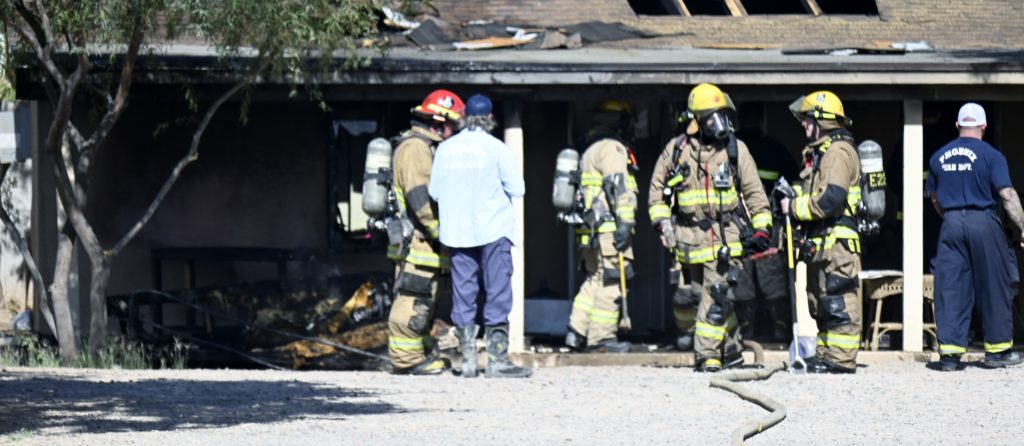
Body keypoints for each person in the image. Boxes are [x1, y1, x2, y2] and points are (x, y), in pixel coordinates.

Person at [649, 83, 772, 372]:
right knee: (698, 298)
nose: (720, 124)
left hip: (725, 237)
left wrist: (762, 229)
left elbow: (756, 195)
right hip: (688, 240)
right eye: (712, 117)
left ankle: (707, 356)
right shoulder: (677, 151)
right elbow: (656, 194)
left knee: (716, 295)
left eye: (722, 115)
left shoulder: (735, 150)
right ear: (695, 121)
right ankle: (732, 350)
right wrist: (663, 225)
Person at [429, 94, 533, 379]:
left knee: (464, 293)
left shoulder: (445, 149)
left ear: (464, 118)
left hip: (457, 232)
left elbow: (434, 192)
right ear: (489, 118)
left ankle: (468, 361)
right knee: (497, 292)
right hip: (493, 229)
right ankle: (497, 361)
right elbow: (518, 188)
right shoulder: (497, 148)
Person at [926, 102, 1024, 372]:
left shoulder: (938, 157)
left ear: (958, 126)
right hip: (983, 222)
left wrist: (951, 219)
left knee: (951, 288)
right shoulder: (992, 155)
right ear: (984, 126)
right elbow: (1007, 195)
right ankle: (998, 351)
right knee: (994, 285)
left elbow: (934, 198)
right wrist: (1022, 227)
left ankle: (950, 356)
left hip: (951, 223)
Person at [782, 90, 863, 374]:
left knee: (839, 300)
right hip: (823, 243)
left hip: (838, 244)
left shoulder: (837, 152)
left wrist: (794, 207)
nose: (804, 125)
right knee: (821, 302)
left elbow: (831, 199)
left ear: (823, 120)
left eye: (808, 119)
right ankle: (827, 355)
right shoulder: (821, 153)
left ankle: (840, 360)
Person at [386, 89, 463, 375]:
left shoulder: (422, 147)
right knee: (412, 298)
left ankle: (419, 353)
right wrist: (443, 234)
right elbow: (420, 200)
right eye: (452, 125)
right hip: (417, 243)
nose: (453, 132)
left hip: (422, 243)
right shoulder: (416, 149)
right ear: (438, 123)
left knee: (424, 299)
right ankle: (407, 359)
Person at [564, 100, 639, 353]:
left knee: (594, 279)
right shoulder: (611, 148)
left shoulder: (590, 148)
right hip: (609, 230)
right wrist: (625, 223)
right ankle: (601, 338)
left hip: (592, 229)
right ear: (618, 120)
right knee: (611, 280)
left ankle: (576, 331)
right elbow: (617, 186)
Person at [735, 104, 798, 342]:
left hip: (738, 223)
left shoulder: (731, 149)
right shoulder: (774, 148)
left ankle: (747, 333)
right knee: (771, 279)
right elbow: (793, 180)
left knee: (743, 276)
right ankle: (778, 332)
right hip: (767, 223)